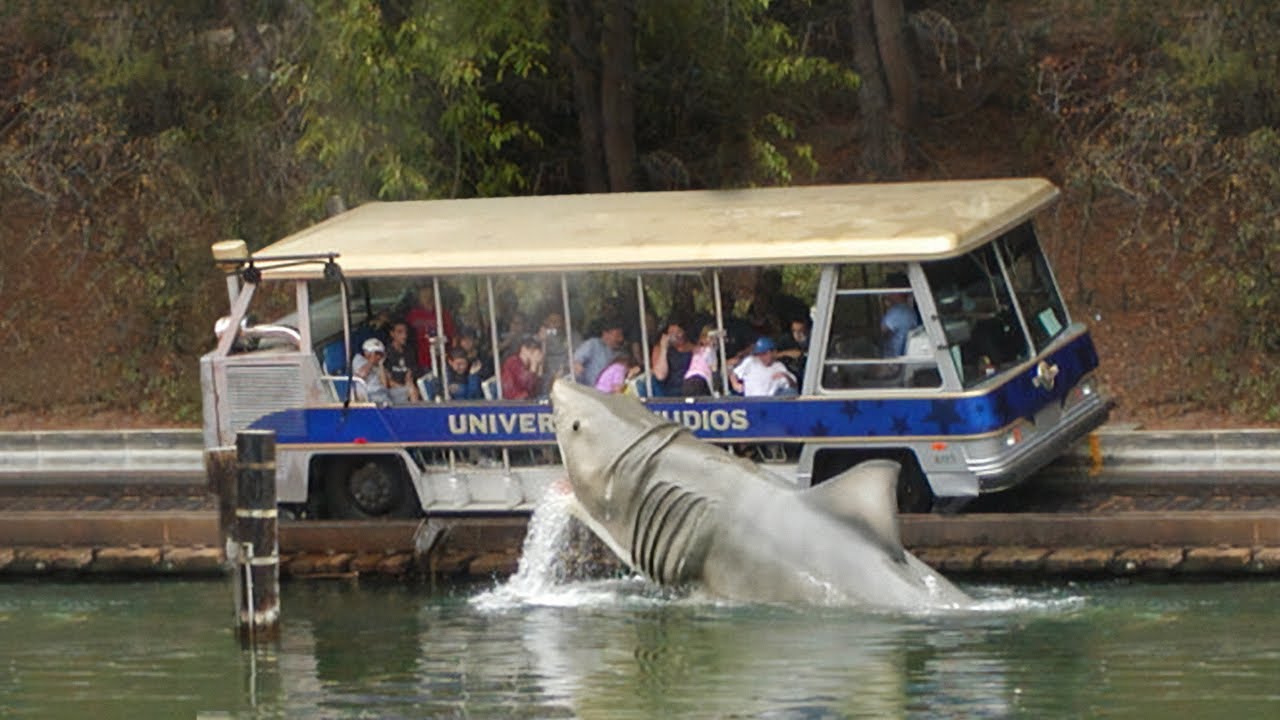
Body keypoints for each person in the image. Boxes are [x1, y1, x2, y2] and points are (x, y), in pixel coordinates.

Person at [405, 284, 457, 372]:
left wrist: (451, 356)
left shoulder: (442, 314)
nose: (426, 298)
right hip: (421, 361)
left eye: (429, 295)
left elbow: (453, 337)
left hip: (442, 360)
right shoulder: (413, 315)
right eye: (423, 295)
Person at [729, 337, 796, 397]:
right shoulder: (751, 361)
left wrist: (785, 376)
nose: (761, 357)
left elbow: (793, 386)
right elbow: (734, 374)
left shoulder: (779, 366)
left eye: (764, 354)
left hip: (770, 403)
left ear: (773, 352)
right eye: (759, 354)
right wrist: (735, 384)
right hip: (751, 402)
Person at [649, 319, 695, 396]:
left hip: (690, 390)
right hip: (668, 392)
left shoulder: (694, 349)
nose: (676, 335)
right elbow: (660, 375)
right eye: (671, 333)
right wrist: (664, 349)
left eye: (679, 331)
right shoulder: (659, 348)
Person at [573, 319, 625, 386]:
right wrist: (577, 365)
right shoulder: (593, 344)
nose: (621, 339)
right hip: (586, 390)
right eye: (617, 335)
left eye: (622, 336)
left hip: (608, 394)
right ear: (605, 334)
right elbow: (576, 362)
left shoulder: (620, 354)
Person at [881, 272, 920, 358]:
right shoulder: (908, 311)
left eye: (888, 289)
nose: (885, 294)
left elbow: (880, 333)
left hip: (893, 360)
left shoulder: (897, 313)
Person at [383, 320, 421, 404]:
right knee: (411, 391)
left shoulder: (409, 351)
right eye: (400, 332)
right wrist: (405, 388)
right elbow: (387, 379)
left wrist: (409, 382)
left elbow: (411, 371)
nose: (404, 336)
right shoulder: (386, 353)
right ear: (392, 334)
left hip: (408, 386)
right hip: (392, 390)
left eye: (405, 332)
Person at [501, 336, 544, 400]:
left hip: (527, 398)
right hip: (515, 401)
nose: (534, 353)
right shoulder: (513, 362)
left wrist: (540, 366)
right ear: (523, 349)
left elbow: (538, 388)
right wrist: (534, 364)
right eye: (531, 349)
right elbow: (526, 385)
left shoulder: (527, 364)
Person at [351, 337, 392, 405]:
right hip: (368, 395)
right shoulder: (358, 359)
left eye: (380, 354)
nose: (379, 356)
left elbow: (384, 384)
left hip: (381, 395)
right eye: (377, 353)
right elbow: (362, 375)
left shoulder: (378, 365)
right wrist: (372, 360)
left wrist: (381, 365)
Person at [681, 325, 719, 396]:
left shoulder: (698, 351)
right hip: (700, 381)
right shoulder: (710, 351)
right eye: (711, 339)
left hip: (687, 380)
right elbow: (713, 372)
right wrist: (714, 392)